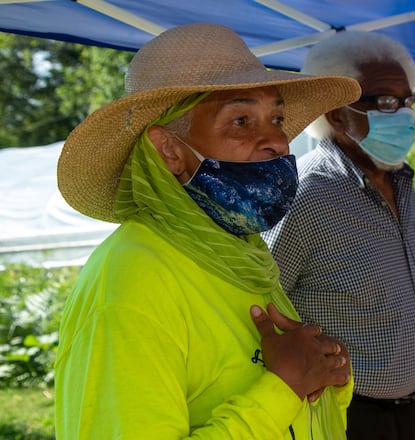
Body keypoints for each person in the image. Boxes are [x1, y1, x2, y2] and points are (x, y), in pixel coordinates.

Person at [54, 23, 363, 439]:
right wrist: (284, 387)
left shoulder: (239, 254)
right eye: (240, 120)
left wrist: (327, 378)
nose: (277, 141)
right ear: (169, 152)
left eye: (276, 117)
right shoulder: (132, 280)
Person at [261, 31, 415, 440]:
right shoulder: (306, 193)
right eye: (383, 102)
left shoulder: (401, 183)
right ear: (337, 115)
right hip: (345, 418)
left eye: (407, 101)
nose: (401, 113)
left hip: (414, 411)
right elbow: (260, 304)